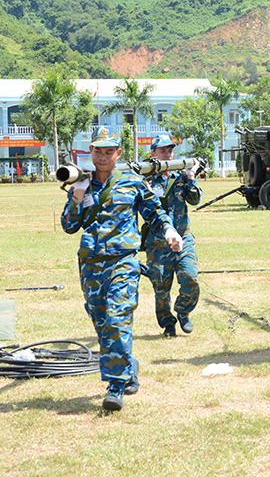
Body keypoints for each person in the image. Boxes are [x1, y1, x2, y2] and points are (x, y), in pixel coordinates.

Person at [61, 126, 183, 411]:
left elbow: (154, 211)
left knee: (118, 319)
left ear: (118, 153)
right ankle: (128, 364)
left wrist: (169, 231)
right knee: (103, 325)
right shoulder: (82, 182)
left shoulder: (132, 181)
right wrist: (77, 197)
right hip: (90, 264)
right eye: (97, 151)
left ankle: (115, 387)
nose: (102, 157)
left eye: (108, 152)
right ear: (90, 152)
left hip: (123, 262)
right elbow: (69, 226)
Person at [141, 134, 203, 338]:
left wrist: (191, 176)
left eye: (170, 150)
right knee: (161, 287)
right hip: (158, 242)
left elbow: (194, 200)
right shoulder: (146, 179)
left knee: (190, 278)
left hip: (183, 237)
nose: (168, 154)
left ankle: (183, 311)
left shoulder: (180, 176)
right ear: (153, 154)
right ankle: (168, 323)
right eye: (163, 150)